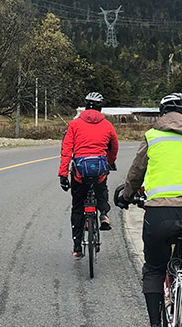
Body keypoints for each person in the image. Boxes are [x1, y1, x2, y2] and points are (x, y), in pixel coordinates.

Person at [116, 93, 182, 327]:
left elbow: (136, 173)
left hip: (160, 215)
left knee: (154, 268)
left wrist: (126, 196)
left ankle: (155, 324)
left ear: (162, 115)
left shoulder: (153, 136)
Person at [58, 92, 119, 260]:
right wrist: (110, 161)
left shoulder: (74, 125)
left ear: (85, 107)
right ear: (100, 108)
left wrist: (63, 174)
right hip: (99, 171)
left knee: (77, 207)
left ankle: (77, 248)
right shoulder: (107, 125)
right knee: (101, 189)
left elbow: (66, 151)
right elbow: (114, 147)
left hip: (79, 173)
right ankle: (104, 214)